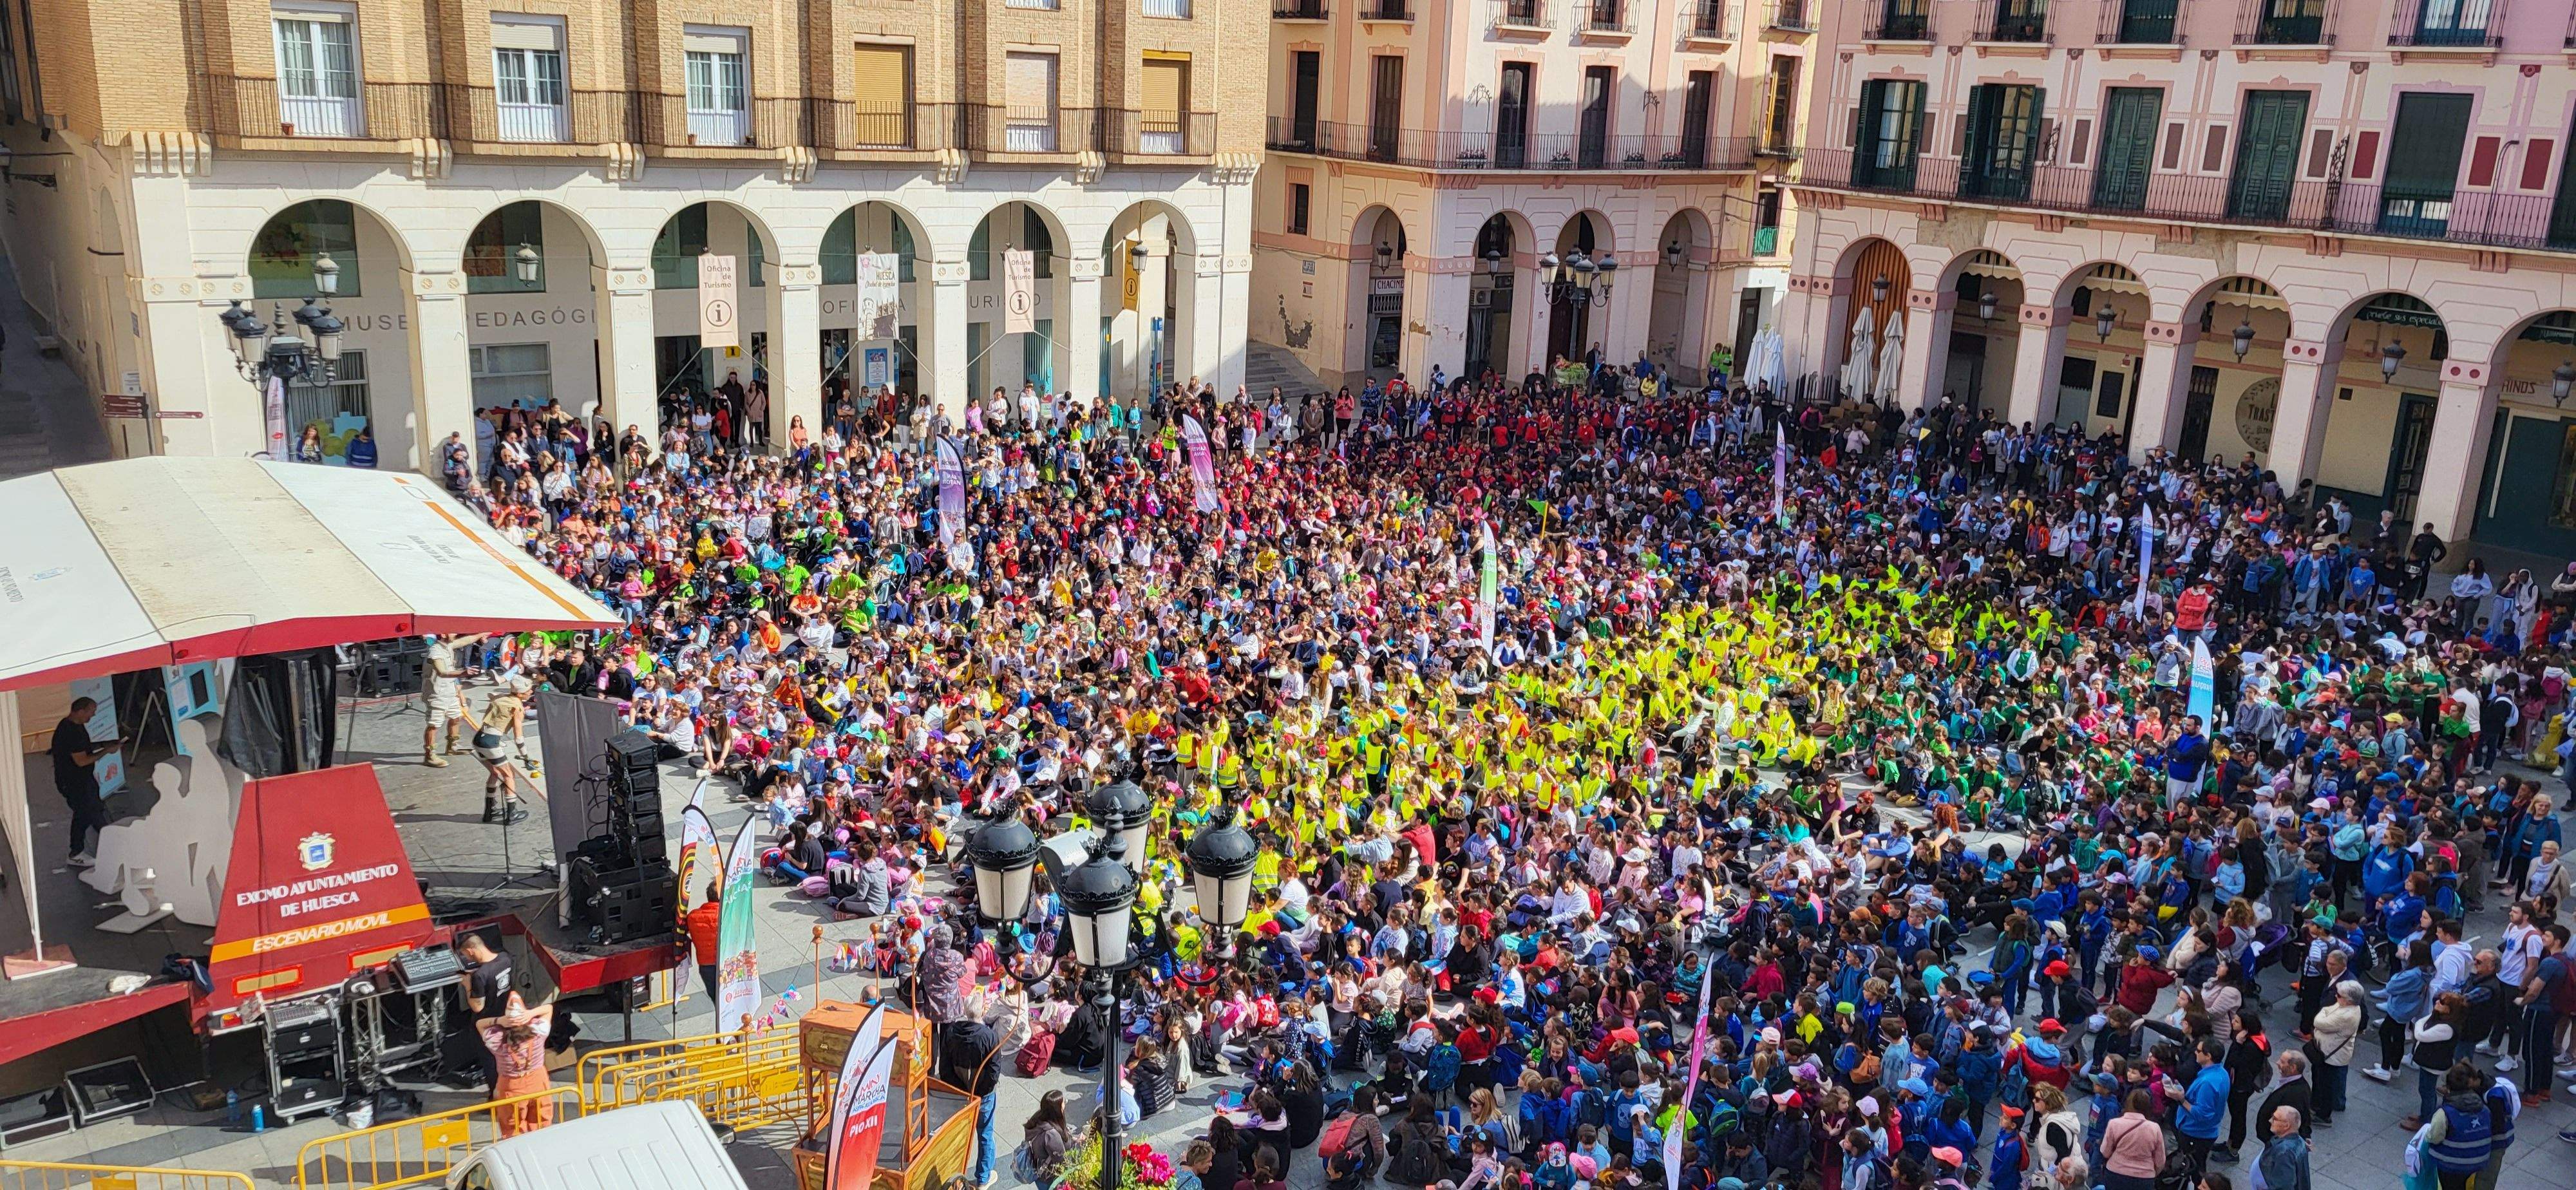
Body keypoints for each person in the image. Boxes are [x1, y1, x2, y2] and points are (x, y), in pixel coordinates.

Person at [48, 696, 117, 867]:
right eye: (91, 712)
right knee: (86, 813)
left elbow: (84, 748)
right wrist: (106, 751)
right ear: (80, 711)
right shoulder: (70, 732)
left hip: (83, 779)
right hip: (73, 782)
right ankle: (77, 851)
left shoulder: (75, 727)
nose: (92, 716)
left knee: (91, 810)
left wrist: (104, 744)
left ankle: (108, 841)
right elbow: (82, 760)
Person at [936, 1012, 1003, 1187]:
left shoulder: (951, 1033)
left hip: (961, 1095)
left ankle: (955, 1173)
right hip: (982, 1096)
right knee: (985, 1135)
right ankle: (983, 1177)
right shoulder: (989, 1037)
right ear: (981, 1013)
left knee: (958, 1135)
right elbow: (994, 1073)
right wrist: (979, 1094)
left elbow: (944, 1068)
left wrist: (961, 1090)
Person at [476, 993, 556, 1136]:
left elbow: (479, 1024)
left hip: (511, 1087)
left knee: (512, 1126)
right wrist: (530, 1014)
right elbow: (548, 1009)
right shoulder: (538, 1034)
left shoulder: (498, 1042)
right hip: (538, 1082)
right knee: (541, 1120)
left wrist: (499, 1020)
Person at [456, 931, 514, 1090]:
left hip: (487, 1024)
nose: (467, 959)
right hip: (505, 1018)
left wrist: (468, 986)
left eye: (465, 955)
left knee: (490, 1062)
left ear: (470, 951)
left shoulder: (480, 976)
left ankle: (495, 1097)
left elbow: (477, 1006)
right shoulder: (505, 959)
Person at [421, 632, 484, 767]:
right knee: (434, 724)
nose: (455, 634)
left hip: (450, 692)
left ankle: (452, 747)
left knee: (456, 718)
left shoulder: (448, 645)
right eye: (452, 632)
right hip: (437, 694)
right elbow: (442, 672)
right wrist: (463, 672)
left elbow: (466, 640)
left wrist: (483, 633)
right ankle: (429, 755)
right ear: (443, 634)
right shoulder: (435, 651)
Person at [1021, 1090, 1073, 1190]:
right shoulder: (1051, 1135)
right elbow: (1062, 1160)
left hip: (1039, 1174)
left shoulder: (1038, 1119)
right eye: (1063, 1103)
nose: (1065, 1105)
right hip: (1050, 1179)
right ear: (1057, 1110)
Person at [2253, 1106, 2307, 1190]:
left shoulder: (2284, 1152)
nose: (2270, 1120)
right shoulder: (2299, 1140)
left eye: (2275, 1119)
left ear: (2286, 1125)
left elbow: (2284, 1186)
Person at [687, 881, 722, 1002]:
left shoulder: (693, 917)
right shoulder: (727, 915)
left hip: (706, 966)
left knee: (716, 1001)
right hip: (726, 964)